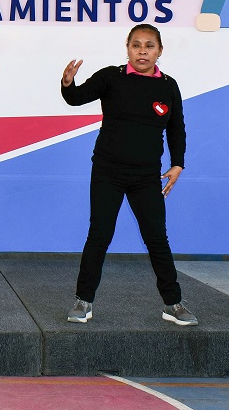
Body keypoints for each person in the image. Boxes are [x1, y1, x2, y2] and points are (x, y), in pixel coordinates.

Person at [61, 24, 198, 326]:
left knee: (157, 240)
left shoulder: (168, 86)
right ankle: (83, 301)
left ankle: (173, 304)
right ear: (127, 49)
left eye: (149, 45)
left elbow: (177, 128)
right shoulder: (111, 77)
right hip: (107, 172)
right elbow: (76, 97)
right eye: (136, 45)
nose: (142, 51)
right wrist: (68, 83)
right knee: (99, 236)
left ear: (159, 51)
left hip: (146, 177)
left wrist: (178, 164)